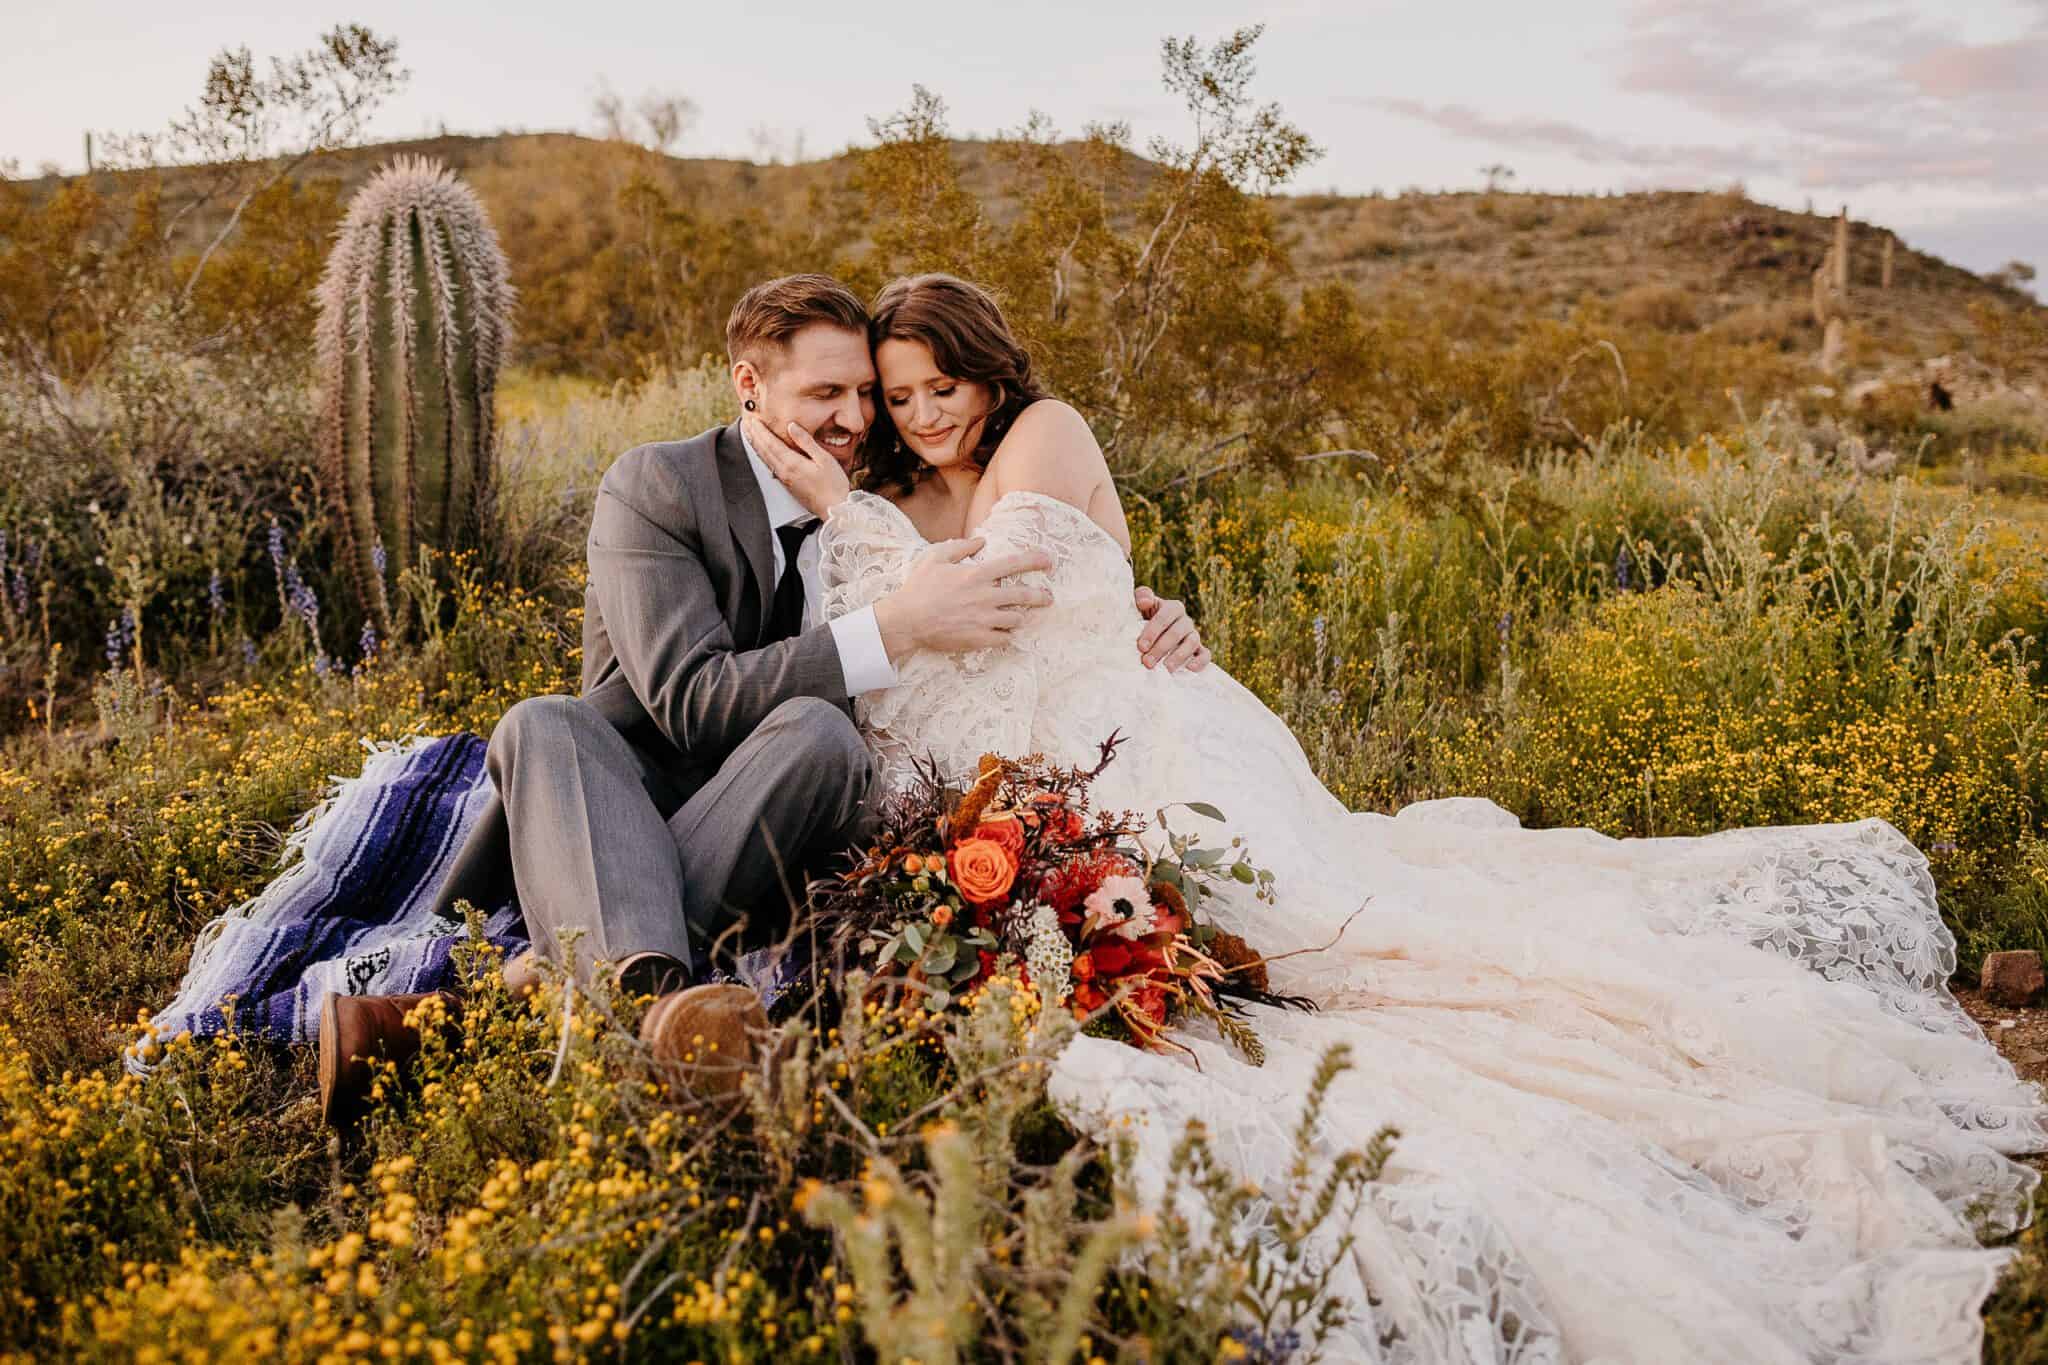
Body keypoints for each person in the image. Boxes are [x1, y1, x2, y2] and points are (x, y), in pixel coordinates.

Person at [743, 271, 2048, 1362]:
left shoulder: (1039, 433)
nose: (916, 419)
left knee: (1345, 937)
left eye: (938, 388)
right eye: (891, 397)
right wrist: (867, 523)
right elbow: (918, 626)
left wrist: (842, 515)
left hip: (1137, 732)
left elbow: (1013, 588)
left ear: (991, 371)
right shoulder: (900, 492)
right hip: (1032, 761)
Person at [316, 274, 1210, 1125]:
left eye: (869, 394)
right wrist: (892, 626)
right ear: (750, 384)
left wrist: (1143, 610)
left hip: (775, 824)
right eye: (830, 393)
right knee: (543, 722)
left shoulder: (872, 501)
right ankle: (654, 1009)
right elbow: (688, 701)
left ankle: (529, 1009)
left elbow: (1022, 592)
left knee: (823, 734)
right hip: (629, 809)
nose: (856, 419)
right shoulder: (657, 484)